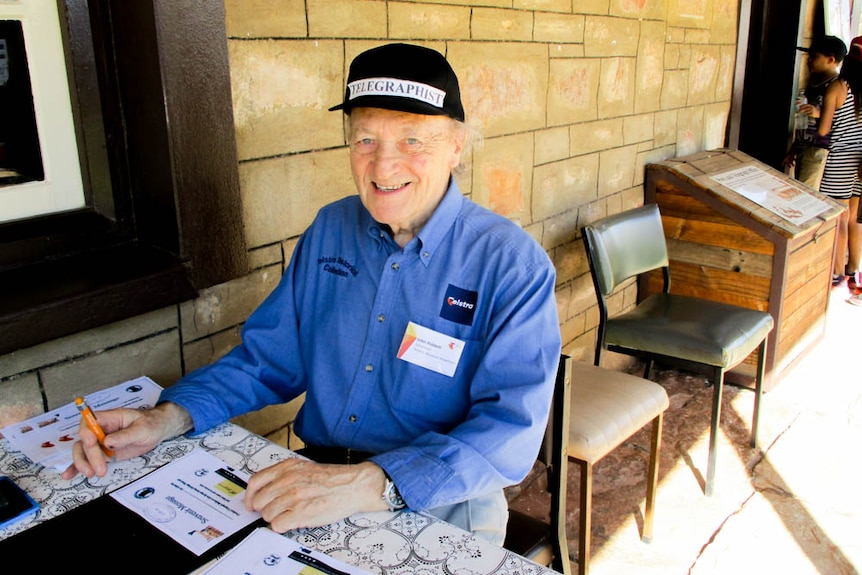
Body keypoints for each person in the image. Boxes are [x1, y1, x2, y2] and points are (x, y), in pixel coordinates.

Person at [61, 43, 562, 545]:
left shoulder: (511, 266)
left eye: (413, 140)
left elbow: (509, 430)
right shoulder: (331, 229)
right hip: (317, 476)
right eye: (366, 139)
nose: (383, 167)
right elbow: (269, 360)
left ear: (457, 146)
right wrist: (166, 418)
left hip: (441, 503)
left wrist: (373, 483)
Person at [814, 36, 862, 293]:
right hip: (860, 161)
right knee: (854, 218)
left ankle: (836, 273)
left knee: (838, 218)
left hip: (839, 159)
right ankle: (853, 271)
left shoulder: (838, 88)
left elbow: (824, 131)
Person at [783, 35, 847, 189]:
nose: (809, 60)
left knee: (808, 195)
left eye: (814, 56)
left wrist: (819, 113)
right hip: (806, 146)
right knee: (800, 189)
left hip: (820, 149)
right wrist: (795, 147)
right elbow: (804, 121)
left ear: (831, 60)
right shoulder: (814, 83)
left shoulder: (836, 86)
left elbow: (839, 120)